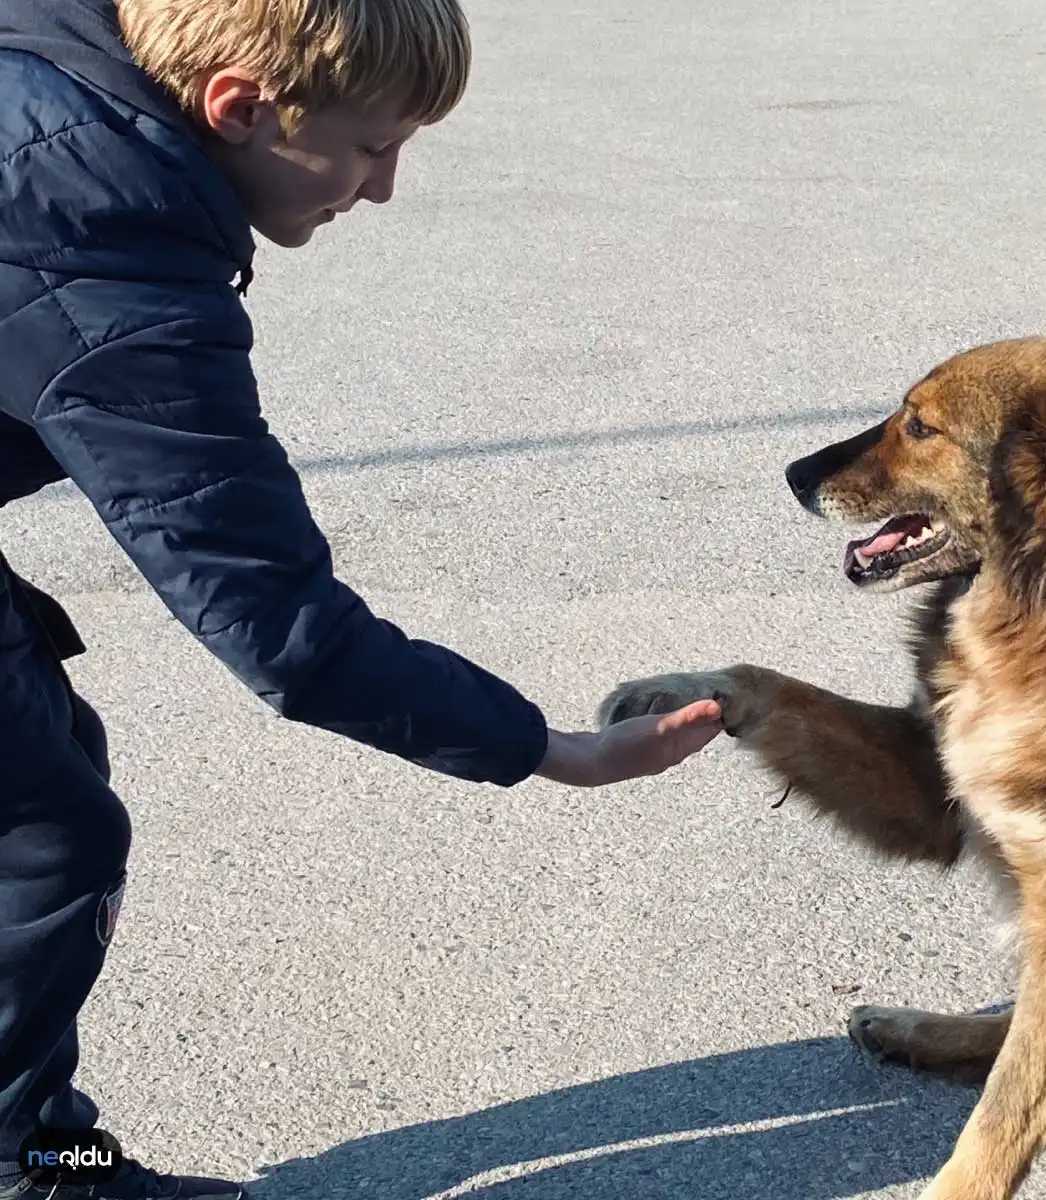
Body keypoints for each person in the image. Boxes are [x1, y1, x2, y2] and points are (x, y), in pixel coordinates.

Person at [0, 2, 724, 1196]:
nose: (382, 189)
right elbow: (281, 624)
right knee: (45, 843)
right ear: (236, 105)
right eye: (371, 146)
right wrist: (552, 751)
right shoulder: (104, 248)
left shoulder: (62, 47)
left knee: (46, 763)